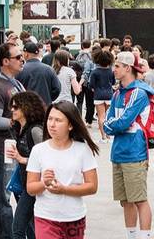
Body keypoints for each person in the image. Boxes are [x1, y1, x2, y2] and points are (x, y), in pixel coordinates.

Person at [26, 101, 99, 239]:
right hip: (45, 217)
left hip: (74, 218)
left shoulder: (82, 150)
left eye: (58, 120)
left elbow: (92, 186)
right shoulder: (38, 150)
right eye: (50, 119)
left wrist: (64, 190)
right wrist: (44, 183)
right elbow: (30, 188)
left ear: (70, 125)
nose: (52, 124)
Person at [103, 52, 154, 239]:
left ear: (127, 68)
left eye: (117, 65)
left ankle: (145, 236)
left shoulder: (139, 93)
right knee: (126, 201)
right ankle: (131, 235)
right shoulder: (118, 93)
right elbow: (109, 123)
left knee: (139, 198)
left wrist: (112, 126)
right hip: (119, 152)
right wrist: (113, 125)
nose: (114, 69)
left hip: (134, 153)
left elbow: (119, 122)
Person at [0, 43, 25, 239]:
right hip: (3, 148)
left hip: (16, 147)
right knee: (4, 197)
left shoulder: (16, 83)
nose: (22, 60)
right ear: (5, 61)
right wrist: (14, 120)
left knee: (21, 194)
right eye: (18, 57)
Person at [6, 91, 45, 239]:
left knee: (18, 227)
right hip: (26, 183)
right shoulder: (19, 128)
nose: (12, 110)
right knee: (31, 227)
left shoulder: (35, 130)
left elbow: (46, 159)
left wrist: (21, 159)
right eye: (12, 107)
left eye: (16, 107)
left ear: (26, 108)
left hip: (34, 185)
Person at [16, 42, 61, 106]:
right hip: (45, 107)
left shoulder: (20, 70)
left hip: (26, 108)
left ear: (26, 54)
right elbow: (57, 88)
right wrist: (48, 98)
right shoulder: (49, 69)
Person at [89, 48, 115, 143]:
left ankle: (103, 137)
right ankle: (109, 135)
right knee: (109, 116)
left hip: (98, 95)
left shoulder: (95, 72)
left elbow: (91, 85)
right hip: (109, 94)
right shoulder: (110, 71)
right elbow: (113, 82)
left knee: (101, 116)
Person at [75, 39, 93, 118]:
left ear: (82, 46)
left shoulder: (77, 55)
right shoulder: (92, 56)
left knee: (79, 101)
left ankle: (79, 117)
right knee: (89, 101)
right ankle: (88, 118)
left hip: (78, 78)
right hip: (88, 80)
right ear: (90, 45)